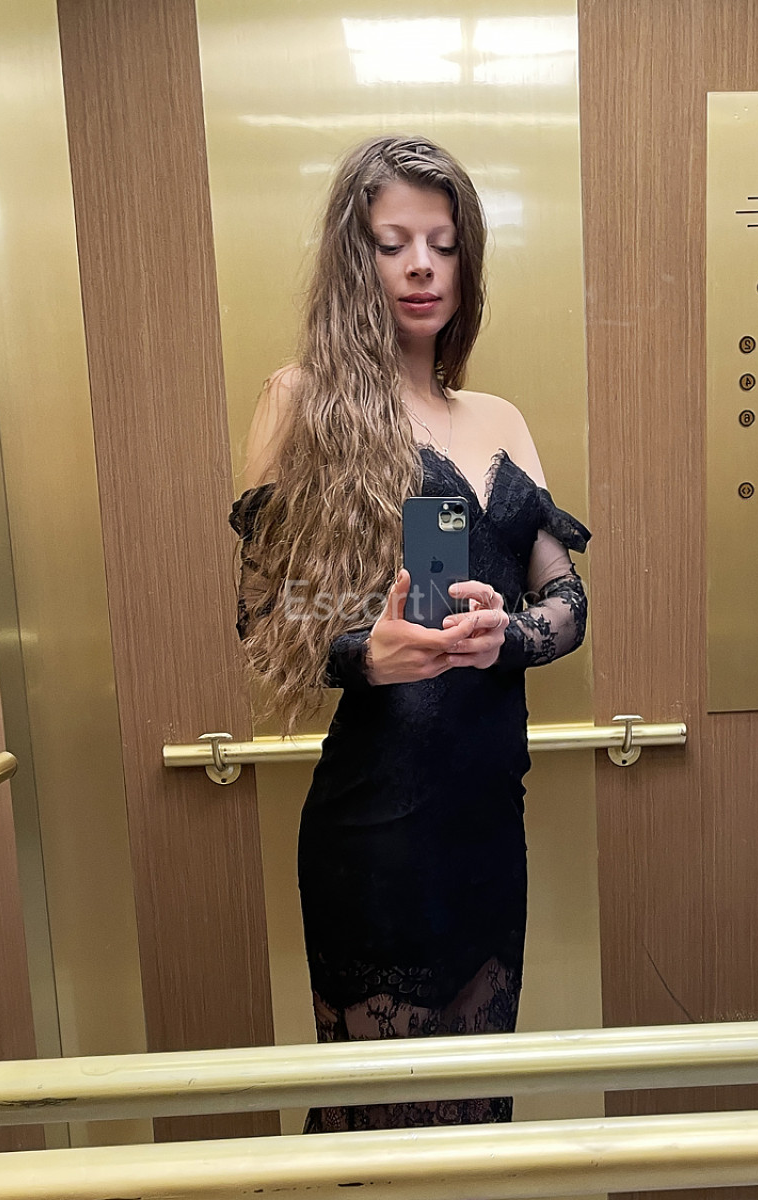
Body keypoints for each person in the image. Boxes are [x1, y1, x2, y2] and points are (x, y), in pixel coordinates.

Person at [229, 135, 590, 1132]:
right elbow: (265, 621)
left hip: (488, 821)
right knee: (378, 1121)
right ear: (359, 260)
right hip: (376, 824)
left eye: (443, 242)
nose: (421, 266)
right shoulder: (301, 402)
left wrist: (510, 635)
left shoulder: (501, 417)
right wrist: (367, 653)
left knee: (475, 1114)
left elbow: (566, 600)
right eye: (393, 244)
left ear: (468, 259)